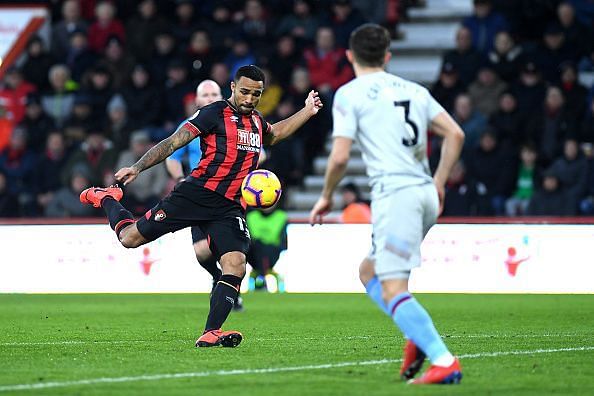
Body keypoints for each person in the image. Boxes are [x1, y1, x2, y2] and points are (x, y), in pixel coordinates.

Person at [80, 65, 323, 348]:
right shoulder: (213, 113)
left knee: (236, 263)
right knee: (129, 238)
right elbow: (174, 142)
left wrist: (307, 111)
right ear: (232, 88)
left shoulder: (256, 122)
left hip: (229, 206)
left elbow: (276, 134)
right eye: (244, 92)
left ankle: (211, 331)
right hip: (194, 195)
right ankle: (106, 197)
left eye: (256, 94)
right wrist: (137, 167)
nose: (249, 99)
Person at [309, 24, 465, 384]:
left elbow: (339, 157)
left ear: (349, 56)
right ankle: (416, 336)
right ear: (388, 56)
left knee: (393, 287)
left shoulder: (349, 94)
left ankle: (444, 360)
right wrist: (439, 183)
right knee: (370, 271)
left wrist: (327, 195)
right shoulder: (414, 90)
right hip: (423, 192)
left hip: (397, 195)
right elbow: (455, 134)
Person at [165, 79, 243, 310]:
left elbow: (260, 152)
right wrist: (180, 180)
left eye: (213, 94)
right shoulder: (188, 125)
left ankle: (230, 289)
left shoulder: (236, 124)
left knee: (230, 250)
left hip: (229, 193)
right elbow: (172, 158)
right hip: (199, 192)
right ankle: (218, 277)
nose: (209, 98)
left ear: (222, 97)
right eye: (205, 95)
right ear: (197, 100)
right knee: (201, 251)